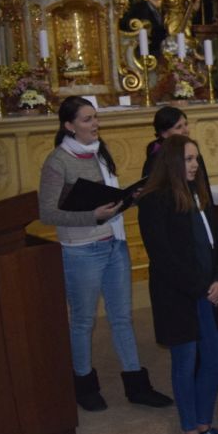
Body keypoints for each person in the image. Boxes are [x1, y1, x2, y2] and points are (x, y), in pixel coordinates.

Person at [38, 96, 168, 412]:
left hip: (114, 243)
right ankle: (84, 384)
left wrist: (129, 198)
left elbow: (108, 199)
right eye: (87, 119)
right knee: (83, 320)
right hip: (82, 250)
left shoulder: (100, 152)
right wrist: (92, 216)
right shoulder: (58, 161)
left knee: (122, 317)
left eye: (95, 117)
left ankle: (136, 384)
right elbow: (47, 213)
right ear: (69, 125)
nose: (95, 124)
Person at [138, 136, 218, 434]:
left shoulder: (200, 195)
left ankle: (205, 423)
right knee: (185, 361)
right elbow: (163, 256)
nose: (195, 165)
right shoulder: (154, 201)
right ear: (171, 163)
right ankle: (190, 430)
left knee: (215, 357)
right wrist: (200, 287)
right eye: (188, 159)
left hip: (211, 292)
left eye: (196, 159)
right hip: (178, 295)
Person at [142, 105, 211, 186]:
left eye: (186, 124)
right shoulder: (156, 155)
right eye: (179, 127)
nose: (186, 131)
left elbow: (203, 183)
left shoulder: (191, 149)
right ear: (164, 133)